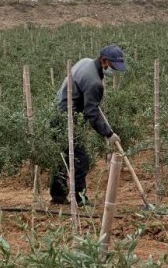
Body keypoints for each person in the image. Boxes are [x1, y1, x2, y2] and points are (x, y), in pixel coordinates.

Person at [49, 45, 125, 206]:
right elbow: (92, 112)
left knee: (63, 156)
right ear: (104, 61)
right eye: (112, 66)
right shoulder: (94, 83)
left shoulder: (85, 62)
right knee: (80, 159)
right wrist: (109, 133)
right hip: (66, 117)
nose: (113, 70)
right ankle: (79, 199)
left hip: (57, 112)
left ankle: (57, 196)